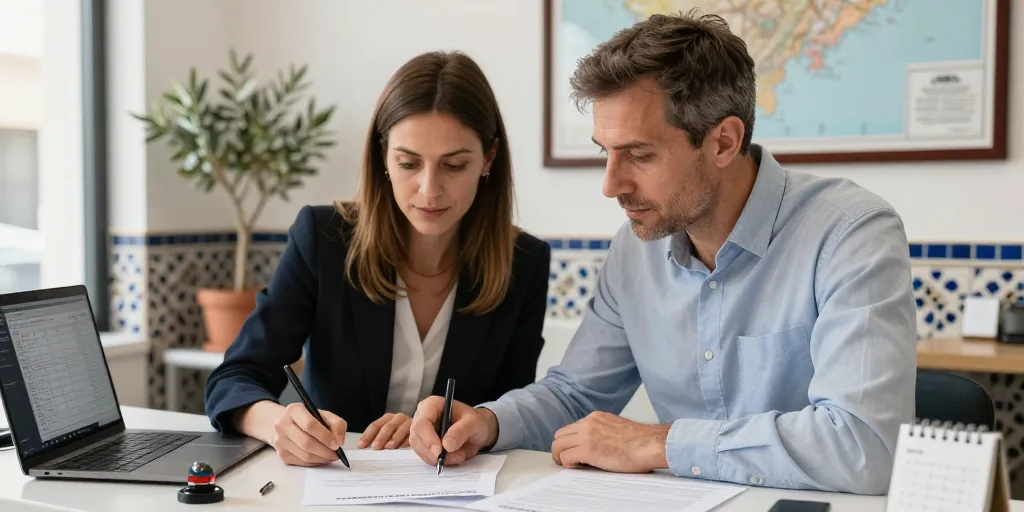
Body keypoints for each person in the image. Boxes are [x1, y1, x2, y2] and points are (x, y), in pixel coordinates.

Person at [409, 11, 916, 495]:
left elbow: (864, 444)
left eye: (640, 155)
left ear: (723, 142)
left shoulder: (851, 234)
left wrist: (659, 443)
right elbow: (576, 394)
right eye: (604, 152)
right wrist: (490, 422)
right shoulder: (635, 249)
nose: (611, 186)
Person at [204, 50, 552, 467]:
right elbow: (233, 378)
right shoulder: (323, 239)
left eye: (454, 165)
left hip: (450, 491)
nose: (429, 189)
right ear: (383, 156)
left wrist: (445, 430)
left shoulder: (524, 262)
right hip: (331, 482)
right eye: (408, 163)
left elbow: (507, 413)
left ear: (488, 160)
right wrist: (277, 422)